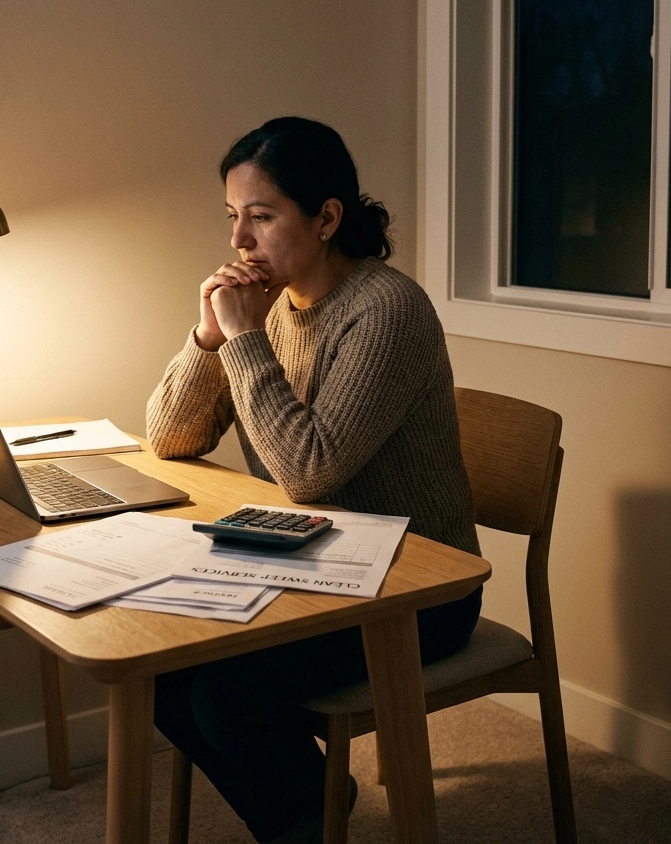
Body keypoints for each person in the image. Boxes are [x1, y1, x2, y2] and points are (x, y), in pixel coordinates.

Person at [146, 116, 482, 844]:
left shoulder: (387, 310)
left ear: (327, 218)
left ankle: (307, 814)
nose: (239, 241)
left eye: (261, 217)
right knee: (159, 668)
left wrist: (244, 339)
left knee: (224, 696)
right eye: (232, 217)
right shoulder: (267, 308)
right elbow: (170, 437)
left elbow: (307, 471)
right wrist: (209, 336)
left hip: (415, 589)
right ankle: (306, 807)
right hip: (309, 563)